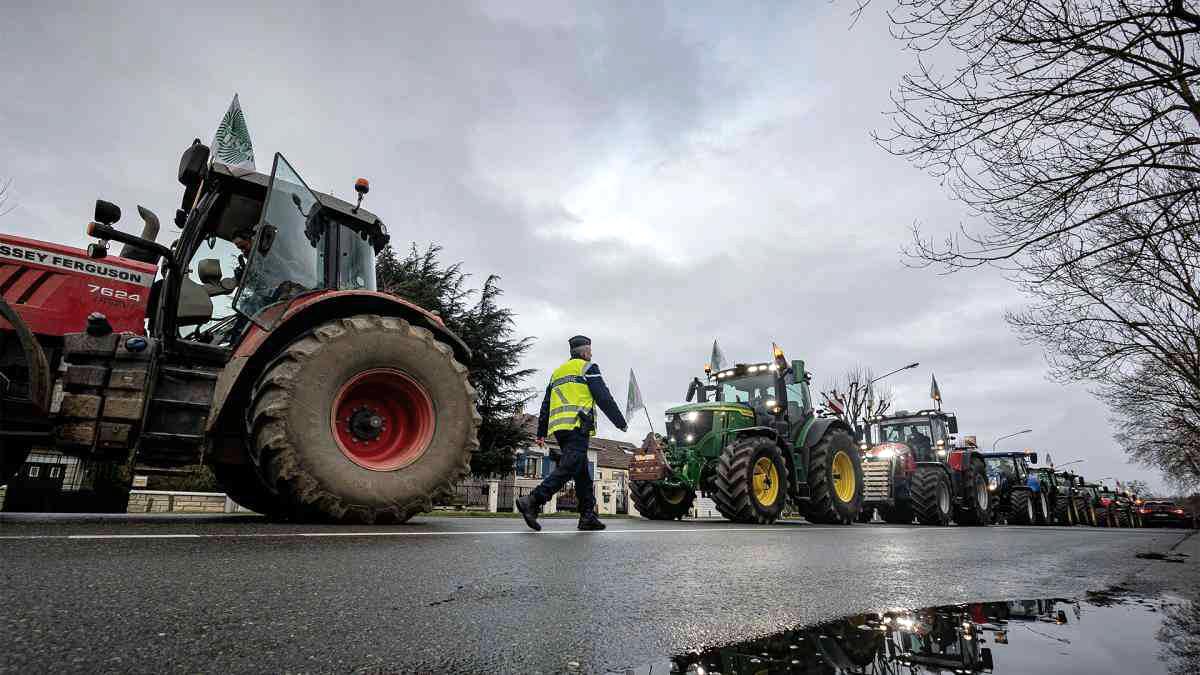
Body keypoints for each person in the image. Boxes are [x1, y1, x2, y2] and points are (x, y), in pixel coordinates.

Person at [516, 335, 628, 531]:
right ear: (585, 352)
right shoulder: (588, 368)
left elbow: (546, 404)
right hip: (578, 426)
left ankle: (587, 516)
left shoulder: (557, 373)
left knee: (582, 472)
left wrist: (541, 432)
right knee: (569, 467)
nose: (591, 354)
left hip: (559, 429)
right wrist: (620, 423)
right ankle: (533, 500)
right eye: (590, 351)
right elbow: (603, 397)